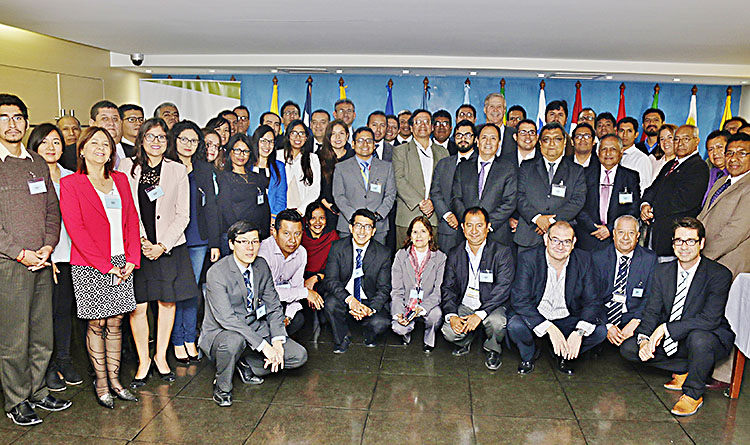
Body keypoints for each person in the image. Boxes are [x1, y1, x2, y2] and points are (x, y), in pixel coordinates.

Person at [0, 94, 70, 425]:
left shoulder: (37, 162)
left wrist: (47, 246)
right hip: (9, 264)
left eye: (18, 117)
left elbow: (52, 210)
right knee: (14, 338)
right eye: (4, 117)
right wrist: (20, 253)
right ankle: (16, 400)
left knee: (42, 334)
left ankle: (38, 390)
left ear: (26, 122)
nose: (12, 124)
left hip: (42, 260)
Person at [620, 218, 734, 417]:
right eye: (679, 241)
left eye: (690, 241)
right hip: (676, 341)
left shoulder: (718, 274)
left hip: (706, 338)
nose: (684, 246)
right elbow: (652, 311)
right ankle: (687, 369)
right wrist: (644, 340)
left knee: (699, 339)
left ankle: (693, 394)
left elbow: (709, 319)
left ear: (701, 243)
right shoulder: (662, 271)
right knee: (629, 349)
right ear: (673, 244)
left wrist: (665, 329)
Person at [60, 126, 140, 408]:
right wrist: (105, 266)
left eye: (105, 144)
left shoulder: (120, 179)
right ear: (81, 150)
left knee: (116, 322)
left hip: (122, 262)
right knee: (97, 323)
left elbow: (131, 220)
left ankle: (116, 381)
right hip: (90, 264)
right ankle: (102, 382)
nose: (100, 148)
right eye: (94, 143)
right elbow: (76, 230)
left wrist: (132, 259)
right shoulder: (71, 184)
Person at [119, 118, 200, 387]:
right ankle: (143, 361)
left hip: (169, 248)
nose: (156, 142)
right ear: (141, 139)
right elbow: (126, 209)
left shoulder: (177, 170)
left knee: (167, 303)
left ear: (168, 141)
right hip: (137, 246)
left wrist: (162, 245)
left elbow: (183, 214)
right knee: (138, 306)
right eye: (150, 136)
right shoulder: (126, 167)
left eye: (161, 137)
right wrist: (143, 241)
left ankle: (161, 357)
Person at [200, 220, 308, 407]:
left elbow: (273, 305)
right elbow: (227, 319)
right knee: (234, 342)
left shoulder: (261, 265)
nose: (250, 248)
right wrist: (264, 347)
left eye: (254, 241)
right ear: (231, 244)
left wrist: (277, 341)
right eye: (243, 242)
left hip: (256, 327)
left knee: (298, 356)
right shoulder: (217, 272)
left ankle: (245, 364)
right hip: (224, 332)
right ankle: (222, 387)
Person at [508, 221, 606, 375]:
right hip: (537, 314)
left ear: (573, 243)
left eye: (566, 242)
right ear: (546, 239)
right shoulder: (529, 258)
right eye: (555, 240)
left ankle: (565, 355)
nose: (560, 246)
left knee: (600, 331)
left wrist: (579, 332)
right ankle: (528, 355)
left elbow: (593, 301)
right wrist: (549, 328)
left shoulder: (584, 260)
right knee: (515, 326)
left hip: (567, 316)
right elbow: (519, 299)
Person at [27, 124, 82, 392]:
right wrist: (45, 254)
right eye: (45, 142)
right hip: (44, 256)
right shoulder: (29, 177)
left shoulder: (72, 177)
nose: (51, 147)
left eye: (57, 142)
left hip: (71, 254)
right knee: (44, 316)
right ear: (34, 146)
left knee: (64, 312)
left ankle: (64, 359)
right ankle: (47, 366)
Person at [698, 132, 750, 388]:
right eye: (730, 153)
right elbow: (704, 216)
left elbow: (736, 231)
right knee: (710, 314)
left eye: (742, 153)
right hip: (711, 259)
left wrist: (701, 256)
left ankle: (724, 375)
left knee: (728, 317)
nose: (734, 158)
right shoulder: (722, 181)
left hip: (731, 263)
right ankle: (704, 365)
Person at [167, 120, 221, 364]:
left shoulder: (203, 169)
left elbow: (212, 207)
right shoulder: (167, 166)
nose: (189, 144)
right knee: (174, 291)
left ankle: (189, 337)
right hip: (172, 239)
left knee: (191, 291)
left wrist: (214, 243)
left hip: (198, 237)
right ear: (175, 140)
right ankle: (176, 340)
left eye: (194, 140)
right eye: (184, 139)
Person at [440, 207, 514, 369]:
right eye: (469, 225)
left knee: (497, 323)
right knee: (448, 331)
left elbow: (503, 288)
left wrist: (480, 314)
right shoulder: (454, 253)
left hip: (491, 305)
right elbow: (448, 287)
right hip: (465, 304)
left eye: (479, 225)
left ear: (488, 227)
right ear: (463, 227)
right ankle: (466, 340)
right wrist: (452, 315)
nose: (474, 231)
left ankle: (493, 349)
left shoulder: (501, 252)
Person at [322, 209, 392, 352]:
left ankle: (368, 333)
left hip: (368, 300)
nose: (362, 231)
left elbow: (384, 288)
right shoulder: (337, 247)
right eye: (358, 225)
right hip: (345, 297)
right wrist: (350, 300)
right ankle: (342, 338)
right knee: (330, 303)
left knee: (381, 322)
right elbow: (330, 280)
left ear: (373, 231)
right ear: (350, 227)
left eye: (367, 227)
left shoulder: (383, 253)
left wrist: (369, 309)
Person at [515, 123, 586, 251]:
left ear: (565, 142)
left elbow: (578, 200)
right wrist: (537, 219)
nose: (552, 144)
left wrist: (551, 221)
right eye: (546, 139)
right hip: (529, 235)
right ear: (540, 143)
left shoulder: (576, 171)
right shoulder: (526, 167)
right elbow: (519, 196)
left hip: (561, 237)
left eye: (557, 139)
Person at [641, 125, 708, 259]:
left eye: (686, 139)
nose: (680, 143)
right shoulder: (670, 164)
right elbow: (652, 189)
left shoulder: (698, 167)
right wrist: (645, 204)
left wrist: (653, 208)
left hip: (676, 239)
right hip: (657, 234)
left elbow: (684, 201)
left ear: (697, 141)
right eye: (676, 139)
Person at [592, 216, 657, 347]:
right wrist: (607, 325)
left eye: (631, 233)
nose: (626, 237)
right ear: (614, 234)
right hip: (604, 314)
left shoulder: (649, 259)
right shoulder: (598, 257)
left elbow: (651, 296)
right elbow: (593, 296)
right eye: (621, 232)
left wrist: (635, 321)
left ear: (637, 236)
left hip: (633, 315)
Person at [259, 209, 323, 337]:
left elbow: (296, 287)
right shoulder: (263, 252)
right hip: (260, 304)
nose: (293, 240)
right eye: (286, 233)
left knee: (298, 319)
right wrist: (305, 292)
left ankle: (279, 342)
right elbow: (267, 294)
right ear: (275, 233)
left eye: (297, 234)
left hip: (282, 300)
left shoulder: (301, 253)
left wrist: (288, 317)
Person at [452, 123, 517, 247]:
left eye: (493, 138)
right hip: (467, 234)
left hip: (496, 234)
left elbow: (509, 201)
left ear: (499, 143)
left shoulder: (508, 169)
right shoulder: (463, 167)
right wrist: (469, 224)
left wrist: (485, 225)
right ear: (477, 141)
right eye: (484, 137)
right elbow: (456, 198)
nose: (488, 142)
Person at [393, 109, 449, 247]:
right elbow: (399, 180)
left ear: (432, 127)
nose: (422, 125)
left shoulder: (443, 152)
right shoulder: (400, 151)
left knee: (433, 257)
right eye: (418, 122)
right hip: (407, 217)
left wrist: (433, 202)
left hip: (433, 217)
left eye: (426, 121)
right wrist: (421, 202)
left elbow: (446, 183)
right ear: (411, 127)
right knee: (405, 257)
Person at [574, 134, 641, 251]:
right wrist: (594, 228)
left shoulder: (630, 177)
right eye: (604, 149)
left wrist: (610, 229)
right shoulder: (583, 174)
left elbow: (633, 208)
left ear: (621, 152)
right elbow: (578, 205)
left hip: (616, 239)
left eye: (613, 149)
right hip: (587, 237)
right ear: (598, 152)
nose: (608, 153)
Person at [391, 216, 446, 352]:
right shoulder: (401, 255)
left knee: (435, 316)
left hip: (429, 302)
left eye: (423, 231)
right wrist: (399, 314)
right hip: (406, 302)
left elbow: (438, 292)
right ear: (410, 236)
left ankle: (429, 339)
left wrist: (421, 308)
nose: (419, 236)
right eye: (415, 232)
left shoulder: (440, 258)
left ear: (430, 235)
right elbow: (396, 290)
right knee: (398, 327)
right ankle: (406, 332)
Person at [333, 127, 396, 244]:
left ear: (374, 145)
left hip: (378, 226)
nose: (365, 144)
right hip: (349, 225)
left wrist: (378, 215)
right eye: (360, 140)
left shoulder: (386, 167)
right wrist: (355, 218)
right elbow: (339, 196)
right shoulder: (341, 167)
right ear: (353, 144)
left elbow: (390, 194)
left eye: (369, 141)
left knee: (376, 255)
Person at [217, 134, 272, 250]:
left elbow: (264, 208)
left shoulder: (257, 177)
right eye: (237, 150)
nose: (241, 155)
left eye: (246, 151)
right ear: (230, 152)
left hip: (256, 236)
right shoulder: (224, 177)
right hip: (235, 235)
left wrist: (264, 234)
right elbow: (225, 209)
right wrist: (241, 233)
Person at [430, 120, 476, 253]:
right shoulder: (444, 164)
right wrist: (448, 215)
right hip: (448, 228)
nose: (463, 139)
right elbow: (436, 192)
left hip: (475, 229)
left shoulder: (481, 163)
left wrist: (468, 220)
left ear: (475, 138)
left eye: (467, 135)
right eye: (459, 135)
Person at [278, 120, 321, 214]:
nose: (298, 137)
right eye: (294, 133)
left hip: (302, 212)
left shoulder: (313, 158)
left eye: (302, 133)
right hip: (279, 212)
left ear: (306, 137)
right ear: (288, 135)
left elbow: (315, 189)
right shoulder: (278, 156)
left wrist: (300, 211)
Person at [250, 125, 287, 222]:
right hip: (249, 217)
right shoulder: (247, 165)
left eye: (271, 142)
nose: (267, 145)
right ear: (256, 141)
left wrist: (274, 218)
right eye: (263, 141)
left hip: (271, 218)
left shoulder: (279, 167)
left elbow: (281, 197)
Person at [301, 201, 340, 287]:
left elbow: (338, 269)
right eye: (313, 218)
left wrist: (317, 277)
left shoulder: (332, 237)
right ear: (307, 220)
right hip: (300, 280)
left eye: (321, 218)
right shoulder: (301, 237)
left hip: (325, 280)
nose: (318, 222)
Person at [617, 117, 653, 193]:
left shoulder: (642, 159)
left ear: (636, 134)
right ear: (616, 133)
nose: (625, 135)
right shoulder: (611, 156)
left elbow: (645, 188)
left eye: (629, 131)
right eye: (622, 130)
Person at [701, 130, 730, 206]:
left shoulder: (737, 175)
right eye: (711, 149)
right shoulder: (708, 174)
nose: (715, 153)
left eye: (719, 147)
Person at [482, 93, 517, 157]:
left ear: (504, 110)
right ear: (485, 110)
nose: (495, 110)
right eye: (492, 106)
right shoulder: (476, 132)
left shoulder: (515, 134)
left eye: (499, 106)